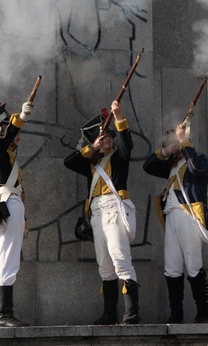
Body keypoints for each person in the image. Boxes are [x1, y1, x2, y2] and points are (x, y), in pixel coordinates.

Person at [64, 100, 140, 325]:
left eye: (108, 136)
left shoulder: (119, 157)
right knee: (105, 265)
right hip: (96, 214)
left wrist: (118, 117)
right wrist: (92, 149)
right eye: (101, 136)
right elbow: (69, 162)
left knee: (120, 260)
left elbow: (128, 144)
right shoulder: (92, 161)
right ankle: (109, 314)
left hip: (114, 210)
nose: (106, 139)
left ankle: (132, 314)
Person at [143, 124, 208, 323]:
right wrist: (166, 151)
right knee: (172, 267)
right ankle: (176, 314)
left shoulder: (198, 159)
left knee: (193, 264)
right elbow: (148, 166)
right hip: (171, 216)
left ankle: (203, 312)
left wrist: (184, 142)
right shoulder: (171, 165)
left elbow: (197, 167)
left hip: (188, 215)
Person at [0, 100, 32, 328]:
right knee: (9, 262)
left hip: (9, 204)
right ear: (0, 129)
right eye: (14, 132)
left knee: (3, 261)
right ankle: (4, 315)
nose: (19, 136)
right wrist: (21, 116)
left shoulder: (2, 151)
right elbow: (7, 134)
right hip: (9, 203)